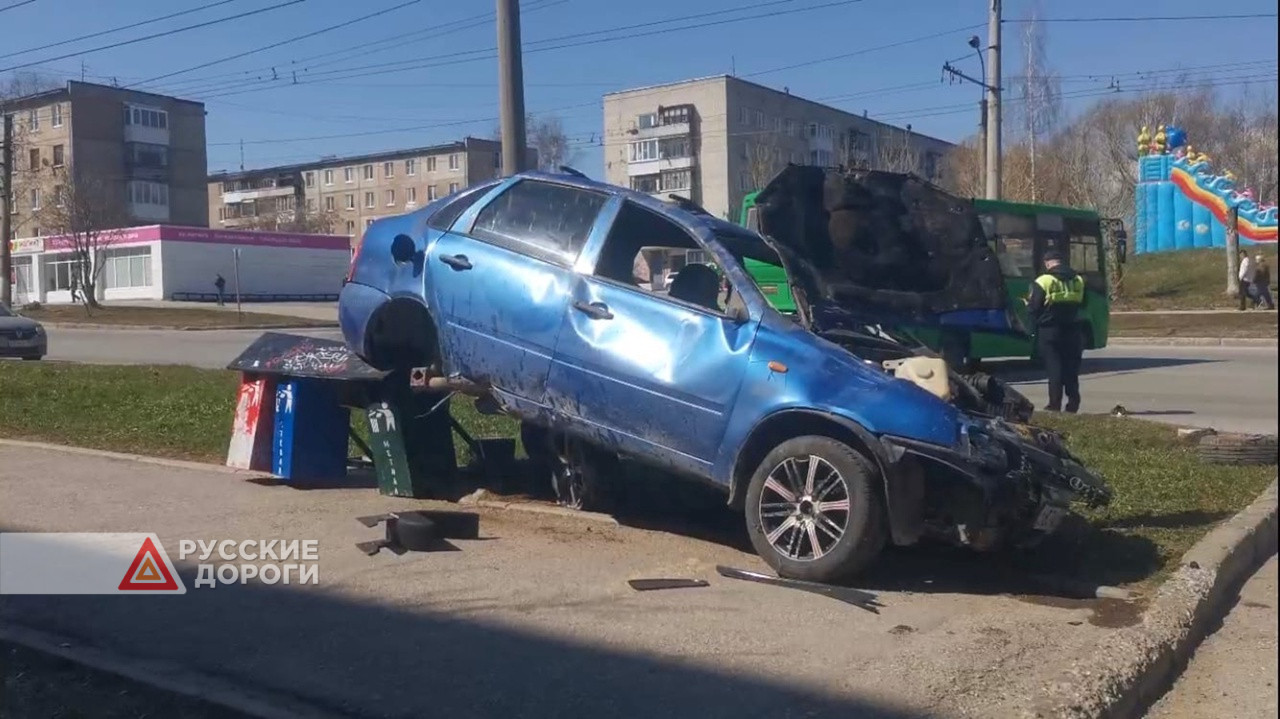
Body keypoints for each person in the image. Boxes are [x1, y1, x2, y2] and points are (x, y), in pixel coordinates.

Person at [1027, 251, 1086, 413]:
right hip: (1073, 330)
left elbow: (1034, 308)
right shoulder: (1077, 280)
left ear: (1047, 263)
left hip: (1050, 331)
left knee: (1054, 369)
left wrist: (1032, 328)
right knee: (1071, 369)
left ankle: (1054, 404)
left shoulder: (1044, 281)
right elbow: (1082, 303)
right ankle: (1073, 403)